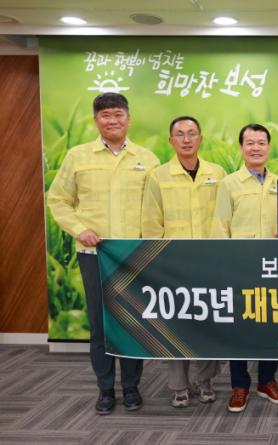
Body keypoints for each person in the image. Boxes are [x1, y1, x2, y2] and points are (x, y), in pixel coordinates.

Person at [47, 92, 160, 415]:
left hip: (133, 255)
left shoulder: (147, 158)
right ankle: (105, 389)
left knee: (132, 323)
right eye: (105, 115)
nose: (113, 120)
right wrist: (78, 228)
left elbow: (156, 208)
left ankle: (132, 387)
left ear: (129, 119)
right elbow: (58, 200)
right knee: (100, 324)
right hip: (94, 254)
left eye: (118, 114)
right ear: (96, 120)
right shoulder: (78, 156)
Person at [141, 116, 225, 408]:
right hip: (173, 265)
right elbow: (151, 224)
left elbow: (224, 218)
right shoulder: (158, 176)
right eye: (180, 134)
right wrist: (157, 263)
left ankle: (205, 380)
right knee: (175, 326)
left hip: (210, 263)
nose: (186, 139)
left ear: (201, 138)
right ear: (171, 141)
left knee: (209, 324)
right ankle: (178, 386)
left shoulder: (217, 173)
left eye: (192, 133)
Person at [212, 123, 278, 413]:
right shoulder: (229, 184)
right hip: (240, 267)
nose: (256, 148)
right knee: (240, 328)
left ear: (269, 147)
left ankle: (267, 381)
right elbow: (220, 226)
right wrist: (224, 266)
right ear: (241, 148)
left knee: (271, 324)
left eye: (261, 143)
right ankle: (239, 385)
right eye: (250, 143)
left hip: (273, 267)